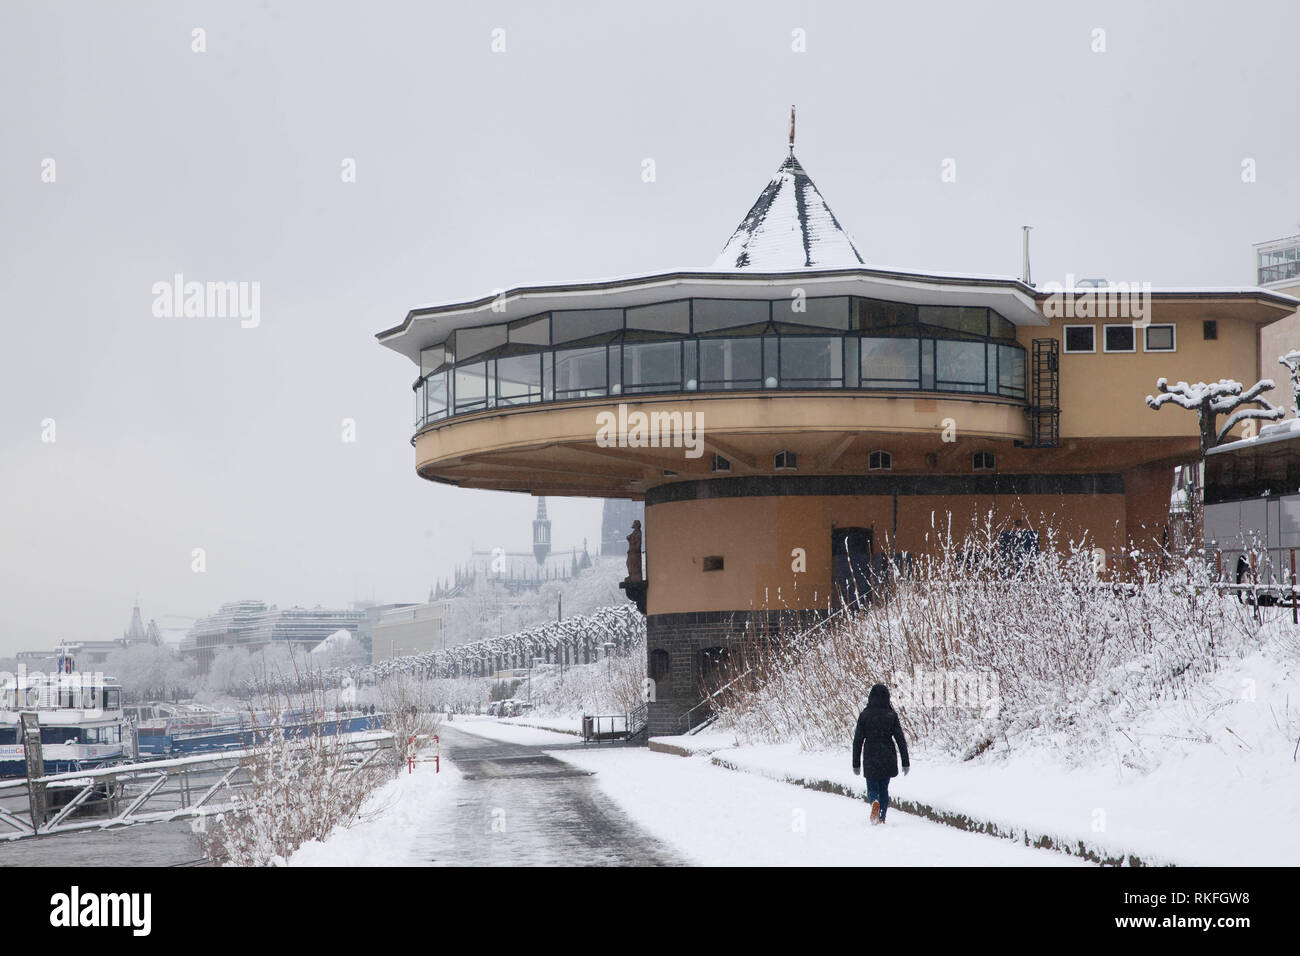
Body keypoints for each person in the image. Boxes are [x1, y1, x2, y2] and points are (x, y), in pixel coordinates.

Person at [851, 683, 910, 825]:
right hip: (887, 755)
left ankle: (874, 802)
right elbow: (900, 739)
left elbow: (857, 740)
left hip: (871, 754)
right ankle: (882, 817)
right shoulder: (891, 715)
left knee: (872, 787)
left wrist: (856, 763)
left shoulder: (865, 715)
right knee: (884, 788)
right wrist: (905, 762)